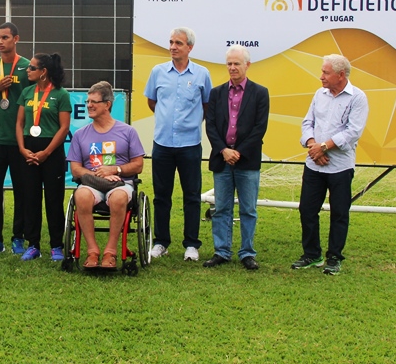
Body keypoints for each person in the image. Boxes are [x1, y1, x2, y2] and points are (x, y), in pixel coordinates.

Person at [293, 54, 369, 276]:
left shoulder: (358, 98)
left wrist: (324, 147)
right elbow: (308, 123)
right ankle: (312, 254)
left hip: (340, 167)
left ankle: (334, 257)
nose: (321, 77)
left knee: (339, 213)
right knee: (307, 209)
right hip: (314, 165)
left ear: (340, 75)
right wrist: (313, 145)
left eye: (326, 73)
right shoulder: (320, 94)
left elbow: (353, 132)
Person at [144, 26, 212, 262]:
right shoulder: (158, 72)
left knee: (192, 196)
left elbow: (206, 106)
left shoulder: (202, 74)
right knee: (161, 195)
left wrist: (189, 123)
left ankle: (191, 244)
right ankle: (161, 242)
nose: (173, 47)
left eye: (178, 43)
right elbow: (152, 102)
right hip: (162, 143)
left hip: (190, 144)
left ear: (190, 47)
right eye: (171, 42)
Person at [203, 45, 269, 270]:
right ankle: (222, 251)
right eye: (229, 64)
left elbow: (260, 128)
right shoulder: (216, 93)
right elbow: (211, 126)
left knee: (248, 209)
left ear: (247, 65)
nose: (232, 67)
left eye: (236, 63)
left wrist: (238, 152)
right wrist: (224, 150)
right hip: (222, 159)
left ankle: (247, 253)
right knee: (222, 208)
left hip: (247, 161)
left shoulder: (260, 93)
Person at [67, 81, 146, 268]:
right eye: (87, 102)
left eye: (94, 102)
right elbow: (76, 169)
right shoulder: (80, 134)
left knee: (118, 198)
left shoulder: (128, 131)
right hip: (91, 184)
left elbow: (138, 165)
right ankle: (92, 251)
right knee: (81, 195)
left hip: (120, 184)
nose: (89, 105)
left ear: (107, 104)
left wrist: (115, 169)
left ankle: (110, 252)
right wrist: (98, 175)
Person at [0, 23, 33, 257]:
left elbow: (34, 102)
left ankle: (18, 237)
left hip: (20, 141)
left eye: (5, 37)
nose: (0, 42)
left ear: (16, 39)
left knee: (22, 190)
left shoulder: (28, 67)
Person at [16, 53, 72, 261]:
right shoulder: (27, 92)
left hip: (51, 152)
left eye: (32, 68)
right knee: (30, 199)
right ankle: (33, 245)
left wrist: (46, 152)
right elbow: (19, 123)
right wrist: (22, 149)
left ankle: (56, 245)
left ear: (43, 72)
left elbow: (64, 128)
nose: (28, 70)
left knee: (53, 200)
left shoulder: (61, 94)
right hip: (29, 150)